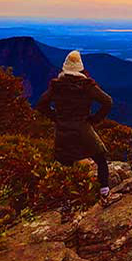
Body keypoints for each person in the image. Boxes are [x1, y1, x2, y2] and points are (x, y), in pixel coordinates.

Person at [36, 50, 117, 204]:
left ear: (64, 68)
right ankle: (105, 192)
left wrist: (55, 117)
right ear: (80, 68)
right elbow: (108, 101)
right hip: (83, 129)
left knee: (64, 164)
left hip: (62, 131)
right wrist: (94, 119)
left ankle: (65, 201)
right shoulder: (86, 86)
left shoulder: (56, 86)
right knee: (100, 158)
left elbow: (41, 105)